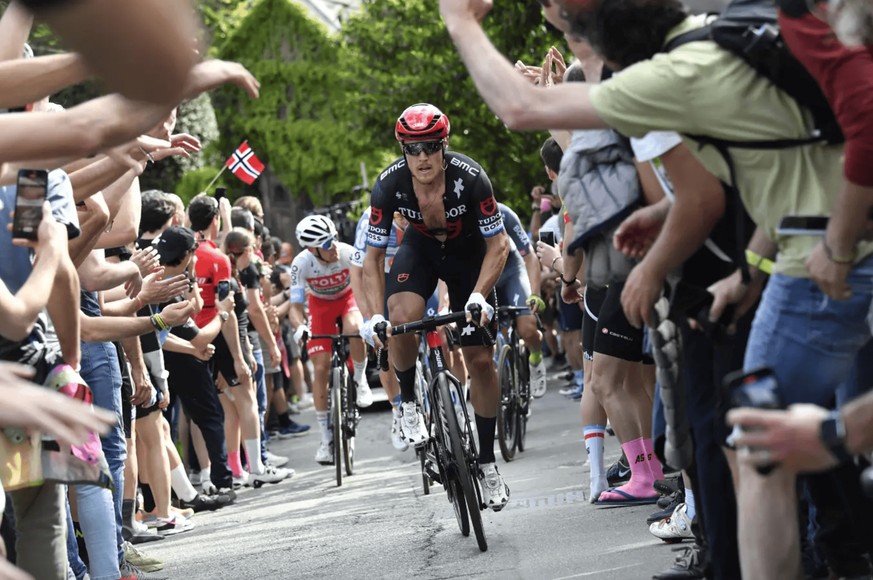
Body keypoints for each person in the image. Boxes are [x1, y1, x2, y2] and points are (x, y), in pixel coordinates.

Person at [436, 0, 873, 576]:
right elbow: (779, 164)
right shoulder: (719, 36)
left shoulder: (669, 75)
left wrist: (460, 22)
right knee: (778, 434)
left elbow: (523, 107)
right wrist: (748, 267)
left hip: (826, 259)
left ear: (611, 50)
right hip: (798, 253)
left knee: (756, 440)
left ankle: (835, 555)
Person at [359, 103, 512, 510]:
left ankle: (487, 462)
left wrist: (479, 294)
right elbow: (372, 258)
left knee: (480, 360)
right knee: (402, 319)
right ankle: (408, 401)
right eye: (412, 148)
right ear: (402, 150)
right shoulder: (388, 186)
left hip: (468, 257)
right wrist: (374, 315)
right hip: (421, 252)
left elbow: (499, 245)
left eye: (430, 146)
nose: (422, 156)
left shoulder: (472, 178)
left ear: (443, 145)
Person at [288, 215, 372, 465]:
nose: (333, 246)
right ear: (311, 249)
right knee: (321, 368)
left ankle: (360, 378)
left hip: (348, 299)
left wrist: (368, 316)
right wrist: (300, 326)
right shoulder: (300, 264)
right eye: (326, 245)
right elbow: (294, 306)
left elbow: (365, 286)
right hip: (319, 307)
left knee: (354, 327)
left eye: (333, 239)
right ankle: (326, 439)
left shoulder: (347, 253)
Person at [495, 202, 547, 398]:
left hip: (511, 270)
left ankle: (535, 357)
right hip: (484, 276)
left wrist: (535, 294)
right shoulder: (459, 217)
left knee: (527, 328)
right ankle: (504, 374)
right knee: (494, 334)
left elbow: (530, 256)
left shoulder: (504, 213)